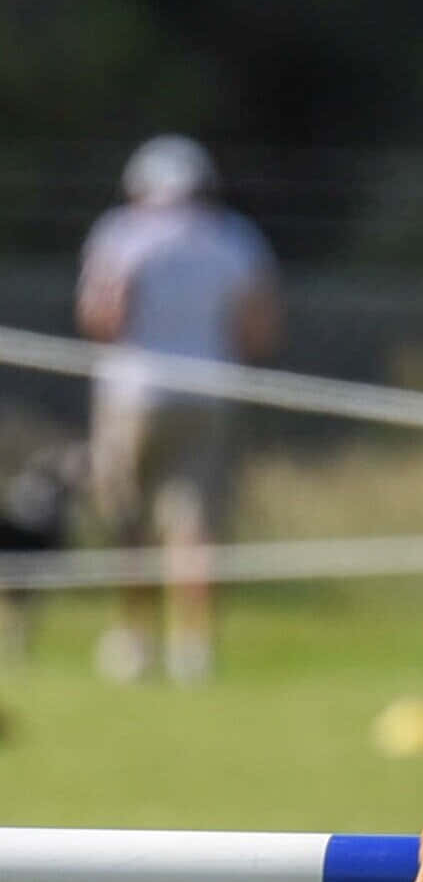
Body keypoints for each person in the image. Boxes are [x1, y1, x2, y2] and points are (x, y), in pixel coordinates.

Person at [76, 135, 281, 683]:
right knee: (196, 525)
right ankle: (193, 647)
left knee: (129, 520)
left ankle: (136, 640)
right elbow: (259, 326)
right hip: (210, 390)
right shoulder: (233, 236)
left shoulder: (122, 233)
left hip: (132, 393)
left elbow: (103, 318)